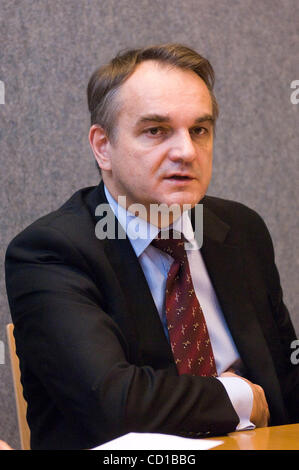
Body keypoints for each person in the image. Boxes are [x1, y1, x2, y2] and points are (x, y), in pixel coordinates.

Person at [5, 43, 299, 450]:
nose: (185, 152)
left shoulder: (240, 230)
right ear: (102, 146)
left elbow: (286, 380)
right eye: (156, 130)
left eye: (199, 130)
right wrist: (239, 397)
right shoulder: (51, 250)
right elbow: (117, 404)